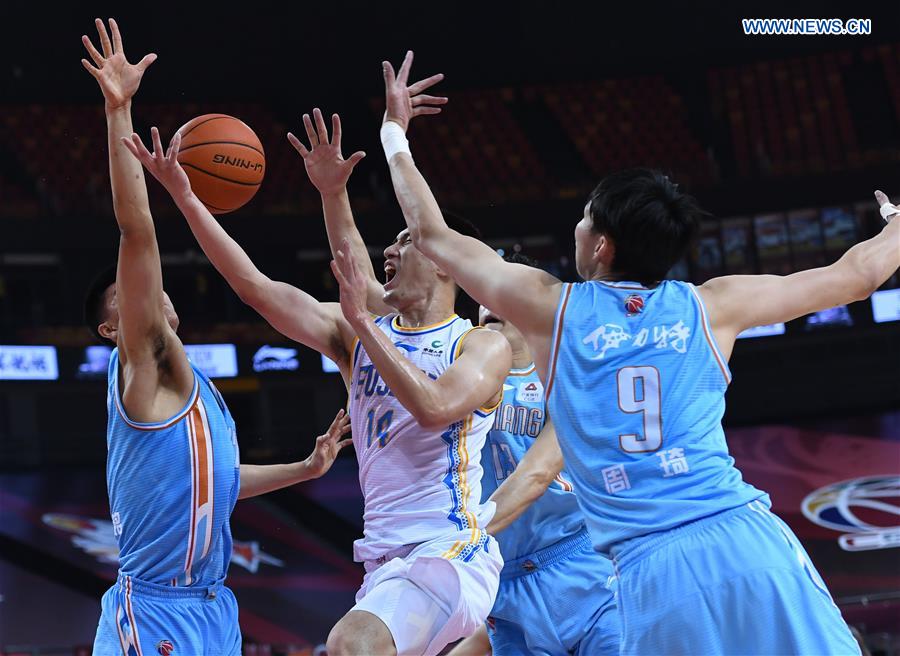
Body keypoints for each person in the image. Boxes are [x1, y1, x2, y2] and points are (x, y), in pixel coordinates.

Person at [379, 50, 898, 654]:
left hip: (653, 574)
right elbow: (855, 275)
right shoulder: (713, 305)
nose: (576, 228)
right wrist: (894, 226)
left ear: (600, 245)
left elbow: (433, 235)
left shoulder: (551, 308)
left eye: (582, 218)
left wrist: (395, 132)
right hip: (747, 540)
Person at [126, 88, 511, 656]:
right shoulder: (359, 333)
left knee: (350, 646)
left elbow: (433, 410)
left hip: (450, 552)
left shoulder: (478, 344)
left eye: (406, 241)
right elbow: (256, 288)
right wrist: (186, 196)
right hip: (384, 564)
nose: (389, 251)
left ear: (445, 261)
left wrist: (362, 324)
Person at [82, 19, 350, 655]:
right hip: (153, 610)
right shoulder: (144, 369)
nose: (147, 295)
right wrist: (120, 112)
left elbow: (218, 482)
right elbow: (135, 230)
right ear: (111, 328)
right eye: (128, 296)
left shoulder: (193, 391)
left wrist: (306, 469)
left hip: (213, 605)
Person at [448, 253, 619, 656]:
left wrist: (455, 539)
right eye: (482, 294)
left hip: (581, 565)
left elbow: (534, 477)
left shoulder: (568, 376)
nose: (489, 303)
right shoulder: (455, 379)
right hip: (503, 585)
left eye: (502, 291)